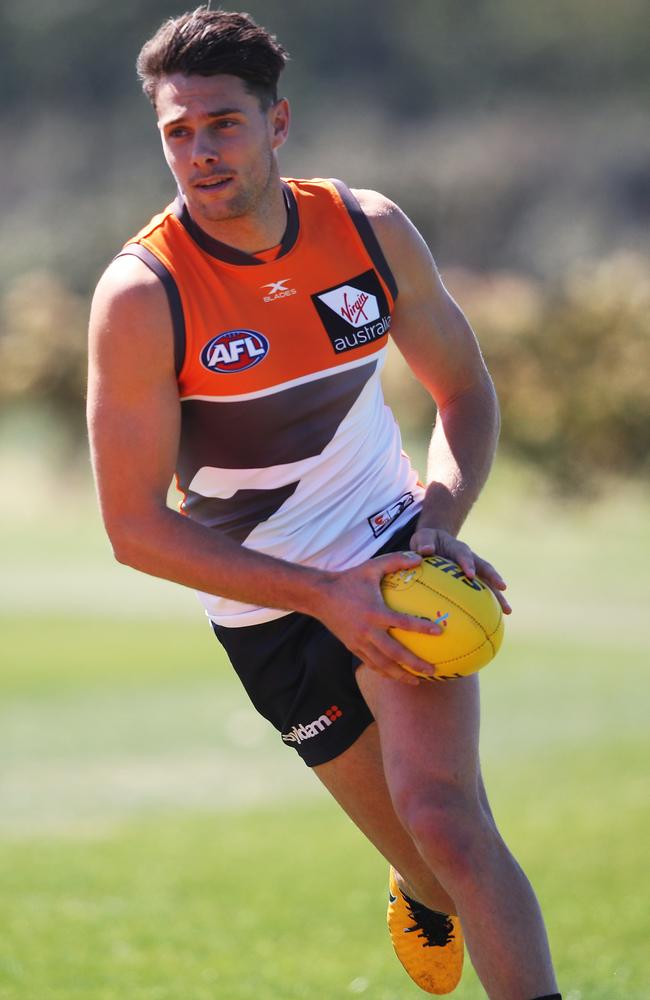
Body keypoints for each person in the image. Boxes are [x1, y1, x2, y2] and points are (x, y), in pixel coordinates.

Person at [87, 7, 561, 998]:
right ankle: (414, 888)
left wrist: (435, 519)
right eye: (177, 132)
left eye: (221, 123)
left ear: (277, 123)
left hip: (384, 544)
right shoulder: (143, 294)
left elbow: (463, 393)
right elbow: (134, 529)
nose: (199, 152)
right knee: (430, 864)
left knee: (447, 821)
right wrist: (320, 595)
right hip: (262, 603)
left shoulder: (365, 230)